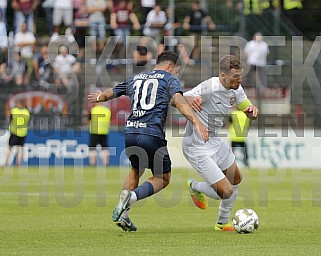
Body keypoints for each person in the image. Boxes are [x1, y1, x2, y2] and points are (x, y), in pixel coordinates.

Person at [87, 50, 208, 232]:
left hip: (130, 133)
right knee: (163, 177)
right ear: (170, 66)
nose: (176, 74)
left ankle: (124, 214)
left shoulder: (135, 78)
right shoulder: (169, 79)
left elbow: (108, 94)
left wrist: (98, 97)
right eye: (176, 70)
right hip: (152, 134)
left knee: (136, 170)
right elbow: (178, 101)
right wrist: (197, 122)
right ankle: (131, 197)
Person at [181, 55, 258, 231]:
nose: (239, 80)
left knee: (236, 178)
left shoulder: (237, 88)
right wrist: (190, 99)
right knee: (226, 191)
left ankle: (222, 223)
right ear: (223, 76)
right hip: (196, 144)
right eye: (235, 77)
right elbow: (177, 100)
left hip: (214, 139)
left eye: (240, 76)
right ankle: (195, 186)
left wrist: (252, 111)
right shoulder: (209, 87)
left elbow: (248, 109)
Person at [5, 99, 30, 167]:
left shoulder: (14, 111)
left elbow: (10, 120)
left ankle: (6, 163)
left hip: (14, 132)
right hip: (23, 133)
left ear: (18, 104)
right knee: (20, 148)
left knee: (10, 148)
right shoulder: (26, 112)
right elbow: (28, 122)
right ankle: (18, 164)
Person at [88, 102, 112, 166]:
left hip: (94, 131)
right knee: (105, 148)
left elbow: (89, 119)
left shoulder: (93, 110)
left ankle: (92, 163)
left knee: (93, 148)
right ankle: (106, 163)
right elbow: (110, 120)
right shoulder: (107, 110)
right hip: (104, 132)